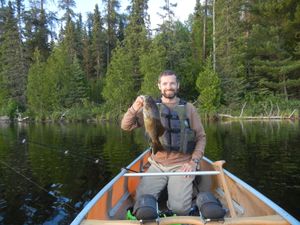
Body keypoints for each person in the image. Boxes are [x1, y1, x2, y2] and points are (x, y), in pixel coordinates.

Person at [121, 70, 206, 216]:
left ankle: (177, 199)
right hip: (157, 164)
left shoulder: (189, 108)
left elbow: (201, 137)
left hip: (182, 165)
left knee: (179, 209)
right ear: (159, 86)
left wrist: (193, 162)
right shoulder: (150, 108)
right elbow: (126, 126)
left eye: (172, 83)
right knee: (140, 203)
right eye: (165, 83)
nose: (169, 86)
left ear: (177, 86)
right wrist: (134, 107)